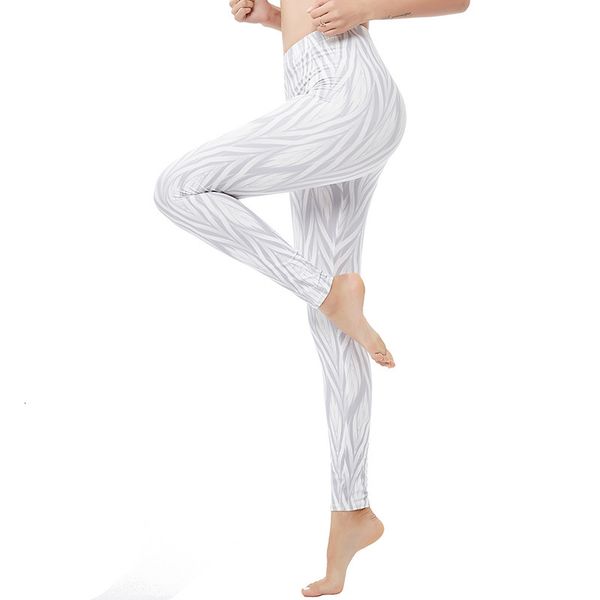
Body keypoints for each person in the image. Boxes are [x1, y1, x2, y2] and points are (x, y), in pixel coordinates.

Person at [153, 0, 469, 595]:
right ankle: (352, 512)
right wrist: (274, 19)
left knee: (180, 187)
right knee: (334, 326)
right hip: (321, 96)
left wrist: (364, 8)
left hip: (342, 96)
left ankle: (328, 293)